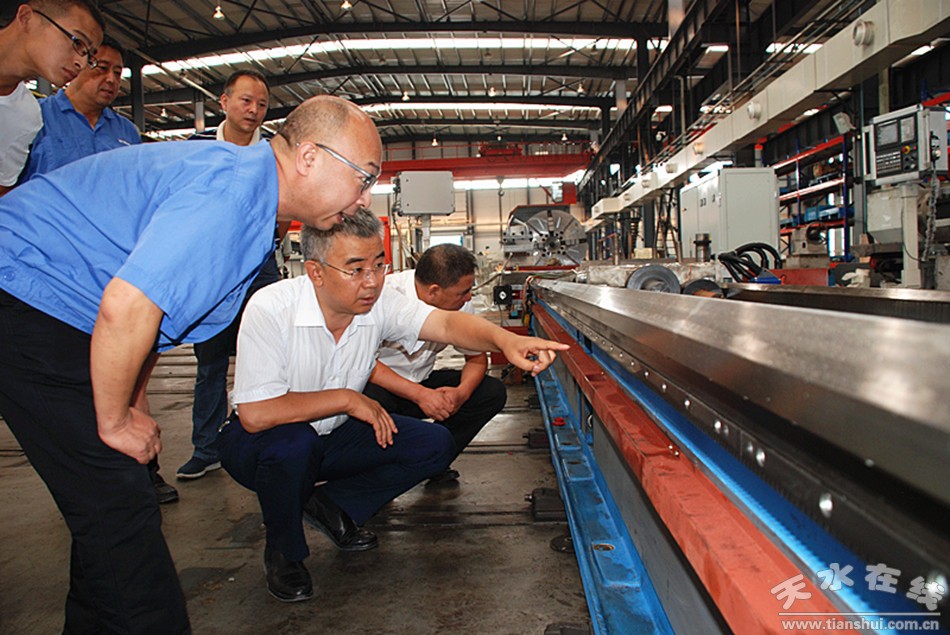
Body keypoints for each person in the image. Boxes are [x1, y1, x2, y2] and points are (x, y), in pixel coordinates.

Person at [0, 95, 383, 632]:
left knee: (111, 506)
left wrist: (133, 403)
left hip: (45, 303)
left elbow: (153, 316)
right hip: (25, 297)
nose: (364, 197)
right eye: (364, 177)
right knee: (118, 507)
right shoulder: (232, 198)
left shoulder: (246, 192)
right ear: (310, 157)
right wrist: (113, 420)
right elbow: (126, 305)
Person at [218, 209, 569, 603]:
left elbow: (446, 324)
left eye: (378, 265)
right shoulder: (272, 307)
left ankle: (332, 505)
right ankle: (284, 552)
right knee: (295, 444)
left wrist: (506, 340)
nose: (371, 281)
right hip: (262, 443)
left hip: (334, 434)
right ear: (315, 272)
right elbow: (257, 414)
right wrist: (349, 399)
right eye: (356, 269)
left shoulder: (379, 304)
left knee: (434, 445)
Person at [178, 69, 284, 482]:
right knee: (210, 362)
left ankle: (278, 435)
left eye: (262, 104)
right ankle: (206, 449)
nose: (254, 110)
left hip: (259, 267)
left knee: (279, 350)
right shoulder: (198, 148)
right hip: (212, 271)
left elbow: (286, 203)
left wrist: (271, 237)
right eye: (246, 101)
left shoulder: (273, 152)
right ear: (224, 102)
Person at [364, 244, 506, 484]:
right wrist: (420, 395)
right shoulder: (382, 297)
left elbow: (476, 358)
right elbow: (364, 363)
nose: (469, 297)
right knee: (369, 399)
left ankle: (433, 459)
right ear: (434, 291)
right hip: (381, 387)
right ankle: (375, 475)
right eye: (463, 292)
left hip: (421, 382)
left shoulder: (461, 304)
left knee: (490, 392)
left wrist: (461, 394)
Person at [0, 0, 103, 196]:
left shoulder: (27, 118)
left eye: (89, 56)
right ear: (26, 18)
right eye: (77, 43)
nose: (81, 63)